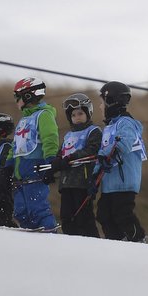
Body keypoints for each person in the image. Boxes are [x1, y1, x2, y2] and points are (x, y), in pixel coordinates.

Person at [35, 93, 103, 237]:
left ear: (88, 113)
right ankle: (70, 244)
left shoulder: (94, 131)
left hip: (83, 182)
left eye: (80, 113)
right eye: (73, 115)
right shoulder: (68, 135)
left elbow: (92, 150)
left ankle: (93, 244)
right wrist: (53, 168)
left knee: (83, 217)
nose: (77, 117)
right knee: (66, 216)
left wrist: (71, 157)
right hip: (66, 182)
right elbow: (61, 155)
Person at [94, 81, 148, 242]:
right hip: (110, 183)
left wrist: (111, 152)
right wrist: (95, 174)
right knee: (103, 214)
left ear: (110, 101)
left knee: (122, 213)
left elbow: (125, 142)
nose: (100, 107)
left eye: (102, 103)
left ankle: (138, 239)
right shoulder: (110, 126)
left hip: (124, 181)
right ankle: (116, 241)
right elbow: (102, 152)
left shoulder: (126, 123)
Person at [6, 78, 59, 231]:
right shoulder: (24, 119)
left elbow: (50, 137)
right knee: (21, 211)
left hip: (35, 169)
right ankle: (31, 239)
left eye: (18, 96)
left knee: (37, 209)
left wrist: (51, 161)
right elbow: (15, 145)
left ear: (28, 96)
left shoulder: (43, 115)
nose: (16, 100)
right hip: (19, 173)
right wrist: (8, 167)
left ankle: (50, 233)